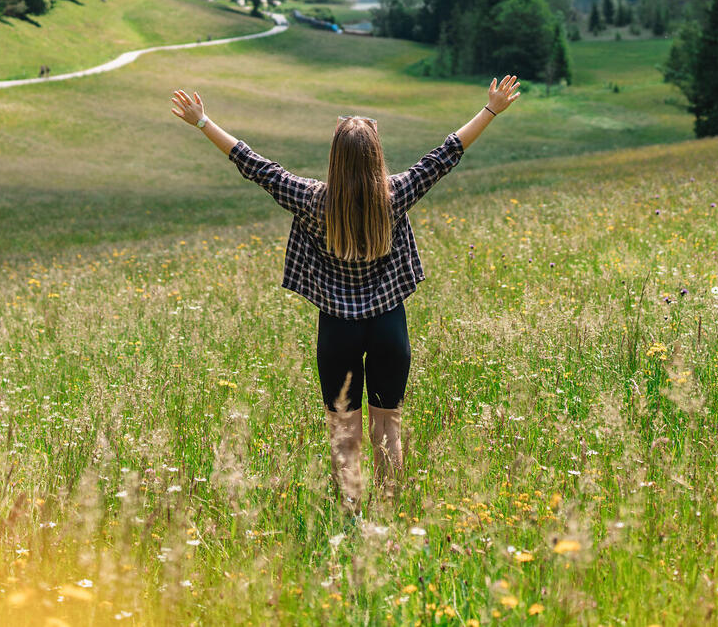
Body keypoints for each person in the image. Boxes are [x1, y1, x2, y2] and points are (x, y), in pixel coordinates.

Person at [168, 76, 523, 507]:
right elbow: (445, 155)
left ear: (335, 159)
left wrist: (203, 120)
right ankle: (389, 507)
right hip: (389, 325)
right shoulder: (394, 194)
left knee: (344, 427)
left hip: (337, 330)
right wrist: (490, 110)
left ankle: (352, 511)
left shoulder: (311, 199)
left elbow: (254, 165)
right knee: (387, 424)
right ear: (376, 156)